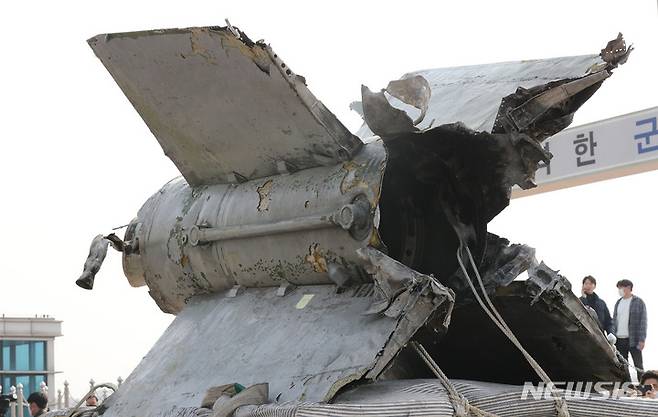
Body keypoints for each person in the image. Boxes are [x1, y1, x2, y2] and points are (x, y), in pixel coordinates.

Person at [611, 279, 648, 381]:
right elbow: (614, 320)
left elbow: (643, 322)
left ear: (627, 288)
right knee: (623, 365)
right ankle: (628, 387)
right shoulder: (618, 303)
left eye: (620, 288)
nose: (619, 290)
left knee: (638, 364)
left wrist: (642, 339)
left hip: (634, 339)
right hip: (619, 339)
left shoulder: (638, 302)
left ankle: (644, 387)